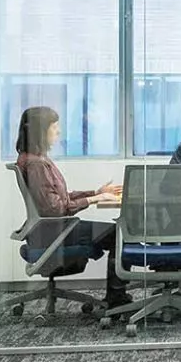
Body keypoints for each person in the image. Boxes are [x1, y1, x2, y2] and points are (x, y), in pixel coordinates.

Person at [15, 105, 130, 310]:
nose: (58, 132)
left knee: (116, 233)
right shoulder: (37, 164)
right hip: (55, 231)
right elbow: (55, 209)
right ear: (41, 131)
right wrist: (94, 200)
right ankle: (116, 298)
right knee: (119, 234)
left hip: (51, 228)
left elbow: (61, 199)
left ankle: (117, 294)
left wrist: (95, 193)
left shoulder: (36, 159)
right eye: (54, 127)